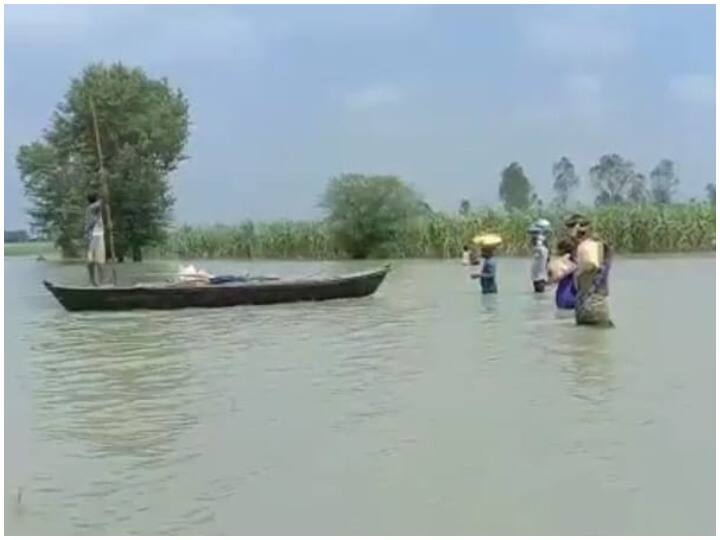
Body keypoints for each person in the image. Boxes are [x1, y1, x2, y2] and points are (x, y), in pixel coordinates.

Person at [564, 214, 613, 326]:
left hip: (593, 305)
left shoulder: (591, 245)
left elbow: (592, 264)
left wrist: (578, 272)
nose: (569, 233)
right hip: (588, 305)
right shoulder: (587, 246)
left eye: (571, 227)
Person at [83, 192, 105, 286]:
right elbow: (100, 203)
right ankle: (93, 280)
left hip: (98, 235)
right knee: (91, 259)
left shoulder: (97, 211)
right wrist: (103, 197)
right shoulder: (90, 208)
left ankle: (100, 281)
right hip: (92, 236)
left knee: (99, 259)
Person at [549, 238, 577, 309]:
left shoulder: (557, 262)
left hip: (560, 297)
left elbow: (553, 279)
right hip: (571, 296)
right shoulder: (573, 261)